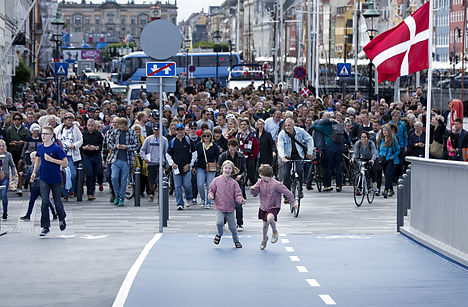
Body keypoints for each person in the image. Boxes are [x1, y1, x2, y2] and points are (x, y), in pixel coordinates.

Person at [31, 126, 68, 236]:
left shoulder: (56, 148)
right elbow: (38, 158)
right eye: (43, 134)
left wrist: (52, 160)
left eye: (46, 134)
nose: (43, 136)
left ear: (51, 136)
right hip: (43, 177)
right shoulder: (40, 147)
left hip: (55, 178)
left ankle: (62, 217)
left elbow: (65, 163)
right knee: (45, 201)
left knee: (57, 200)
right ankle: (45, 226)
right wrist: (34, 172)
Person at [250, 164, 297, 250]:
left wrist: (293, 203)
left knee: (270, 218)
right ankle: (264, 238)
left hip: (274, 206)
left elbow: (287, 193)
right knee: (264, 225)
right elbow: (255, 193)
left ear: (268, 176)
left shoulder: (276, 184)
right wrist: (253, 189)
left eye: (262, 175)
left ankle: (274, 231)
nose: (260, 176)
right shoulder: (260, 182)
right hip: (264, 206)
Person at [208, 160, 246, 248]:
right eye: (226, 168)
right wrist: (211, 195)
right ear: (222, 169)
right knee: (219, 222)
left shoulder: (234, 183)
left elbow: (238, 194)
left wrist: (241, 200)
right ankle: (219, 234)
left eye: (229, 168)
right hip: (219, 207)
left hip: (230, 209)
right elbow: (211, 190)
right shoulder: (216, 180)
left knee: (233, 227)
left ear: (232, 170)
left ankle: (236, 241)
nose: (227, 170)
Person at [277, 118, 314, 195]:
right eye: (286, 125)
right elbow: (280, 146)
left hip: (298, 154)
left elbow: (309, 139)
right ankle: (287, 194)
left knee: (300, 171)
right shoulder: (282, 134)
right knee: (286, 174)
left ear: (293, 125)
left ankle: (300, 189)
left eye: (289, 125)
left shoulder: (300, 131)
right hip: (287, 155)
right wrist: (283, 157)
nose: (287, 127)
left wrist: (309, 152)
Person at [107, 117, 139, 206]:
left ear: (126, 125)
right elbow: (109, 143)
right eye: (120, 125)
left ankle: (121, 197)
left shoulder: (132, 133)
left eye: (123, 125)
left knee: (124, 180)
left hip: (127, 160)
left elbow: (136, 145)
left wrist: (127, 147)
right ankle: (116, 194)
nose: (121, 127)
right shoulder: (114, 132)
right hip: (115, 159)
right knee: (114, 177)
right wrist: (115, 146)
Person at [165, 123, 197, 210]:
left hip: (187, 167)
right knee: (177, 187)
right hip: (176, 168)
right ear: (175, 131)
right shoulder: (172, 142)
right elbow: (168, 155)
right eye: (178, 130)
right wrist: (172, 164)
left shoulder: (188, 140)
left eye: (181, 129)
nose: (180, 131)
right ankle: (179, 203)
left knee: (187, 185)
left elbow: (194, 154)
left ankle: (189, 197)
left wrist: (190, 165)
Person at [217, 138, 247, 231]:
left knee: (238, 204)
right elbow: (219, 169)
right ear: (228, 147)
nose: (232, 151)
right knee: (226, 203)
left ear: (237, 148)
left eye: (234, 149)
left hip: (238, 183)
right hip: (226, 183)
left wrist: (241, 176)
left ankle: (239, 223)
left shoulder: (241, 156)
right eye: (231, 149)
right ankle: (224, 222)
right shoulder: (223, 156)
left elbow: (244, 170)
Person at [20, 151, 57, 221]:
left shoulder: (42, 166)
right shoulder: (31, 167)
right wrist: (23, 175)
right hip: (34, 188)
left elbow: (43, 177)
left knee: (47, 201)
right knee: (31, 201)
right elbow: (28, 176)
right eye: (31, 159)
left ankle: (54, 213)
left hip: (42, 187)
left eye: (33, 158)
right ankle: (28, 215)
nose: (32, 160)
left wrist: (34, 179)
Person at [54, 112, 83, 198]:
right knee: (61, 174)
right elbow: (54, 138)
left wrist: (74, 145)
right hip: (60, 154)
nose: (69, 122)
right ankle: (64, 193)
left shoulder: (75, 129)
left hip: (70, 154)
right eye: (68, 120)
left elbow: (80, 140)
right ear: (64, 120)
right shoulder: (59, 129)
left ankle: (71, 190)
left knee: (72, 174)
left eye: (71, 120)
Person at [140, 123, 168, 201]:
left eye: (158, 129)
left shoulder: (164, 140)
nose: (156, 131)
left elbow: (166, 152)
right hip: (151, 162)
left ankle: (160, 195)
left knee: (160, 180)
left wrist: (167, 164)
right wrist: (144, 157)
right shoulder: (148, 139)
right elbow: (142, 150)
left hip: (160, 163)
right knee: (151, 180)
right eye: (155, 129)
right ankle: (152, 192)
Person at [194, 130, 220, 209]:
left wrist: (217, 166)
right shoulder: (199, 145)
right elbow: (195, 156)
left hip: (211, 167)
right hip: (200, 167)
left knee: (210, 185)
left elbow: (217, 157)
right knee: (200, 184)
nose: (206, 138)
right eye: (204, 136)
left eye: (208, 136)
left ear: (211, 137)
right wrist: (194, 167)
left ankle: (209, 201)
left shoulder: (214, 146)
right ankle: (202, 198)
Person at [81, 119, 103, 201]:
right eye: (89, 125)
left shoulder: (98, 134)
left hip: (96, 155)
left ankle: (92, 191)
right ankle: (90, 193)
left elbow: (102, 145)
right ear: (86, 125)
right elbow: (80, 145)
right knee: (89, 174)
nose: (90, 127)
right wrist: (85, 147)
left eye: (92, 126)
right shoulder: (83, 134)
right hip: (87, 155)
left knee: (96, 173)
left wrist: (96, 147)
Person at [377, 124, 400, 198]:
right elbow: (378, 149)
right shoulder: (380, 139)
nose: (384, 132)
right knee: (387, 175)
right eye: (383, 130)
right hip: (382, 159)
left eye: (385, 130)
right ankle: (391, 189)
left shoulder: (393, 139)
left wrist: (392, 157)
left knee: (388, 174)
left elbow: (398, 150)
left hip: (390, 159)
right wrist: (379, 155)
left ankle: (386, 190)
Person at [236, 118, 259, 186]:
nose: (243, 126)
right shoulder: (238, 135)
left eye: (245, 124)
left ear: (248, 125)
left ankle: (256, 186)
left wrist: (254, 156)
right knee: (241, 172)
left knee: (251, 173)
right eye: (242, 124)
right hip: (241, 156)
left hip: (250, 157)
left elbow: (256, 146)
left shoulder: (252, 135)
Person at [0, 140, 16, 220]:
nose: (1, 147)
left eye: (3, 146)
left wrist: (13, 175)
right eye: (0, 146)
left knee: (3, 194)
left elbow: (12, 165)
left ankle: (5, 212)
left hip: (5, 177)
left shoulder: (8, 155)